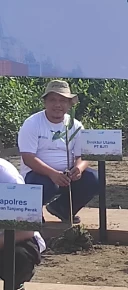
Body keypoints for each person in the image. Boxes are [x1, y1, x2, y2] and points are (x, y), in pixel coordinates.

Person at [17, 80, 99, 224]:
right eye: (53, 100)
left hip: (67, 175)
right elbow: (28, 157)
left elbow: (83, 155)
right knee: (47, 184)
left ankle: (63, 208)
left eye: (62, 100)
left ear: (69, 104)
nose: (57, 105)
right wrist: (52, 174)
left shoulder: (76, 125)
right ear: (45, 102)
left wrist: (78, 169)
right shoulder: (32, 123)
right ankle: (33, 214)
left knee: (95, 179)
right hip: (38, 175)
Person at [0, 157, 46, 290]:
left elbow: (26, 229)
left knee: (18, 255)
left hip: (11, 236)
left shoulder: (5, 174)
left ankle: (16, 289)